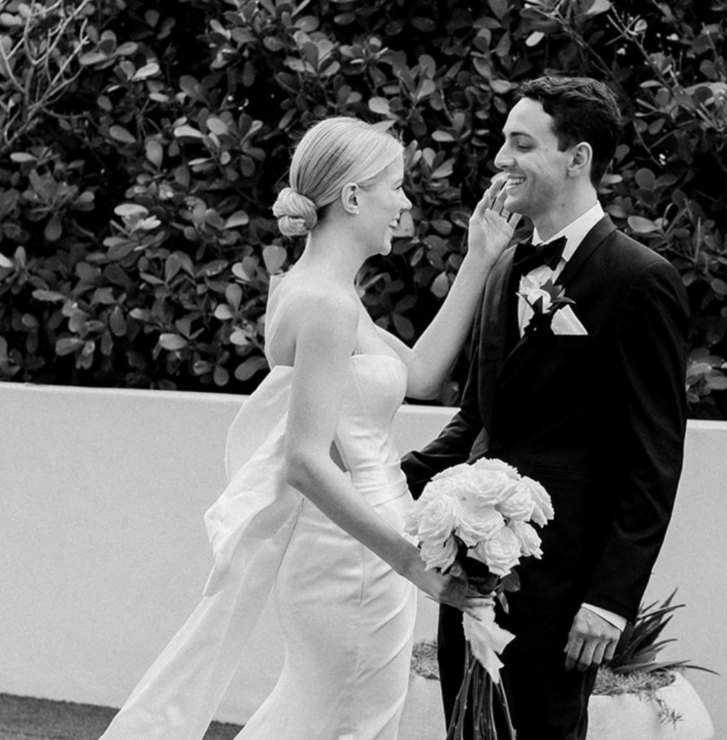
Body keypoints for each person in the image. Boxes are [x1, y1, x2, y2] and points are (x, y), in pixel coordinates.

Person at [98, 116, 519, 740]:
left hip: (357, 546)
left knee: (324, 717)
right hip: (355, 558)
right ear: (352, 198)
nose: (404, 204)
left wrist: (480, 256)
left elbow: (424, 373)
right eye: (396, 187)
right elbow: (304, 459)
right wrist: (416, 566)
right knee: (351, 722)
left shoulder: (321, 293)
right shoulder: (324, 304)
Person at [402, 76, 690, 740]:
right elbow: (476, 419)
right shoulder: (502, 268)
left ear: (577, 158)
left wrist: (611, 600)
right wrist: (377, 480)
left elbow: (654, 460)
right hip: (468, 574)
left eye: (521, 143)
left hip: (564, 589)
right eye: (503, 141)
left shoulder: (640, 280)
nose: (501, 159)